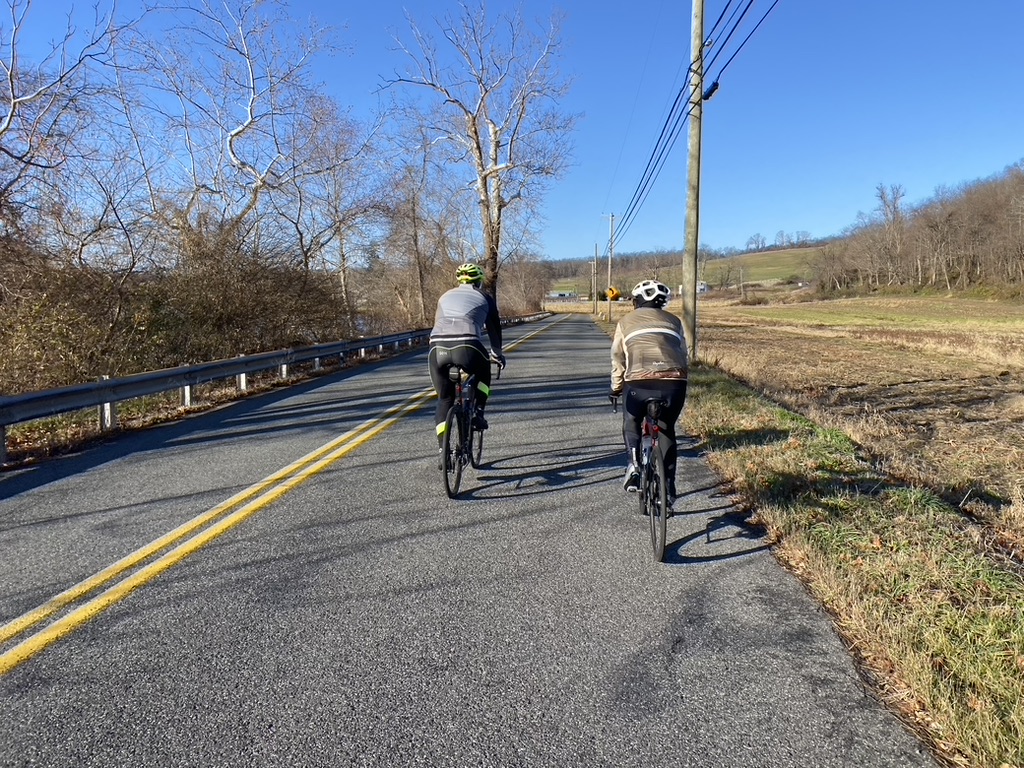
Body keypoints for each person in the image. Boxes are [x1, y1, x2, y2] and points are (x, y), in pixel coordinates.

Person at [609, 279, 688, 504]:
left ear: (637, 301)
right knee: (666, 429)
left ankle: (633, 465)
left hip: (638, 382)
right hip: (674, 382)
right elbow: (684, 352)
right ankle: (668, 488)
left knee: (631, 420)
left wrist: (616, 387)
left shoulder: (625, 321)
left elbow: (617, 357)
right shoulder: (675, 321)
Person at [428, 263, 506, 461]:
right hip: (468, 344)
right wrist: (497, 354)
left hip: (437, 348)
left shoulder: (444, 296)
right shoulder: (485, 297)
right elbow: (495, 329)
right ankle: (478, 412)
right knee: (484, 372)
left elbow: (438, 323)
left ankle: (443, 451)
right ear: (479, 281)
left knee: (444, 399)